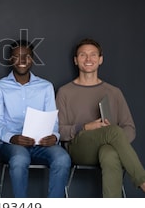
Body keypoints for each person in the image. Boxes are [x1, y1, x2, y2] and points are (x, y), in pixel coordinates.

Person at [56, 38, 145, 197]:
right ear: (76, 60)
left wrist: (113, 138)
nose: (88, 59)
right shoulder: (65, 92)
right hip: (79, 148)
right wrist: (85, 127)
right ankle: (143, 182)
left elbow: (130, 128)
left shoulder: (114, 92)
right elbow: (58, 131)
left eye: (93, 55)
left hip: (108, 147)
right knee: (113, 132)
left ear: (100, 59)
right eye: (83, 55)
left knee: (110, 153)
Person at [0, 39, 70, 198]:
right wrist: (12, 138)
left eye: (26, 56)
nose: (22, 61)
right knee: (19, 159)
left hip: (42, 143)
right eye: (17, 56)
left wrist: (54, 136)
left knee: (62, 159)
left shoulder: (45, 86)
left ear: (32, 59)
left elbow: (53, 120)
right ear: (11, 59)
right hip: (11, 144)